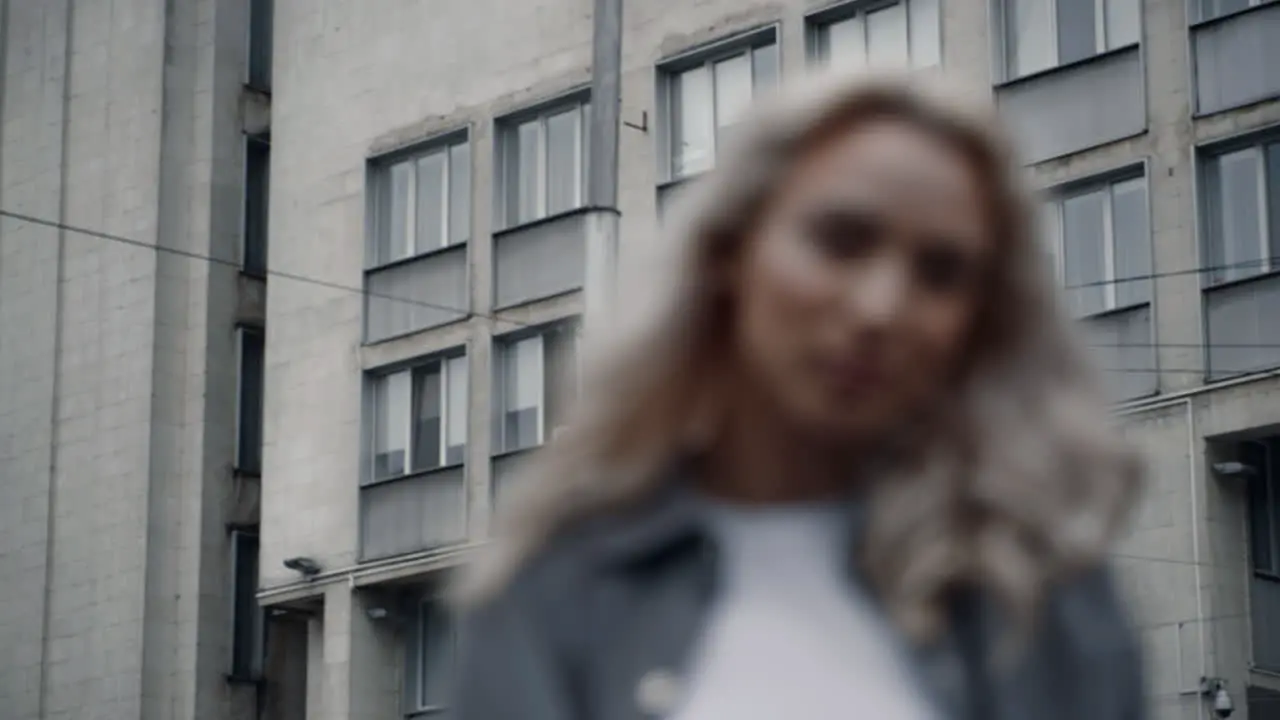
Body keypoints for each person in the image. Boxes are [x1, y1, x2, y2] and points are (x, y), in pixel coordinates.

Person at [453, 70, 1147, 720]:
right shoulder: (555, 591)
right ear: (730, 252)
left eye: (941, 272)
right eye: (841, 240)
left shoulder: (1038, 595)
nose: (881, 308)